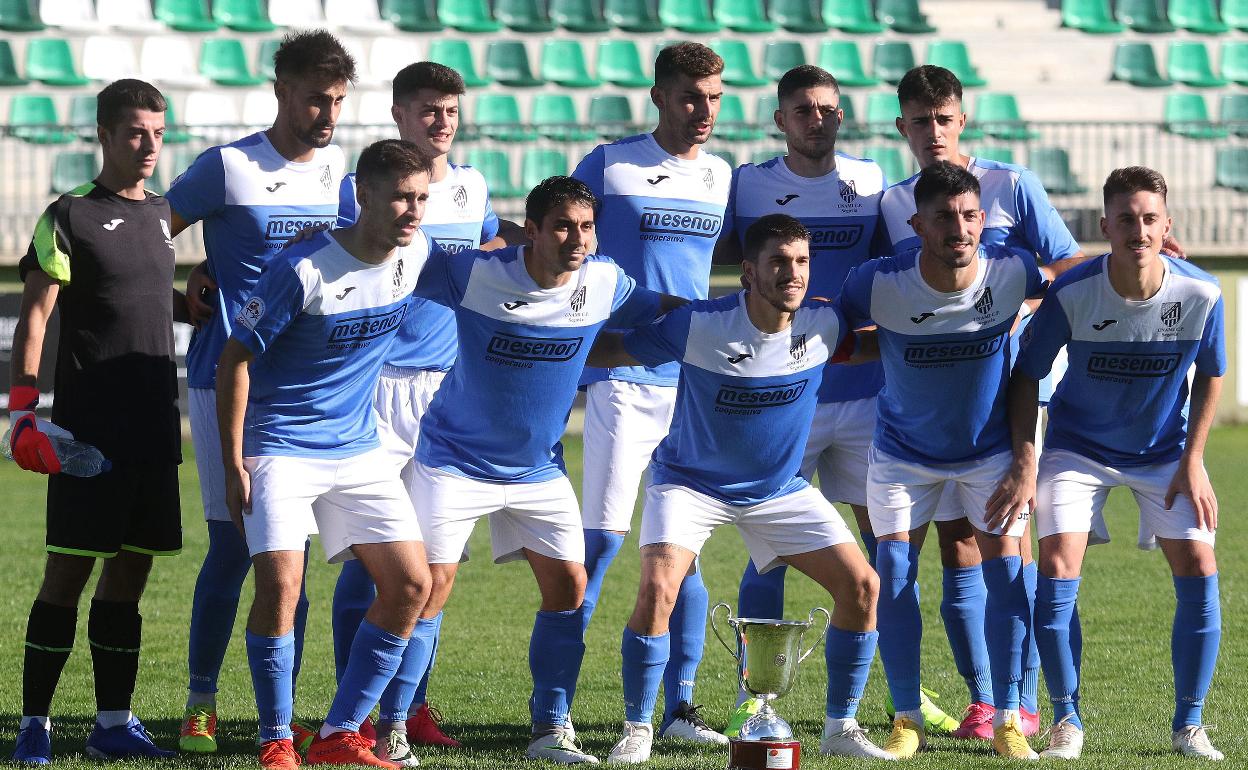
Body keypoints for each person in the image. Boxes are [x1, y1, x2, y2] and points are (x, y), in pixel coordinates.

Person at [591, 214, 894, 763]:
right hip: (689, 485)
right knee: (659, 589)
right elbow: (616, 349)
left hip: (779, 490)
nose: (793, 272)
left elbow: (876, 346)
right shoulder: (699, 324)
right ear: (748, 272)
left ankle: (839, 726)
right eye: (779, 261)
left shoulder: (823, 325)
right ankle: (638, 728)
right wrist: (534, 335)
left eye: (801, 261)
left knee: (863, 587)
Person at [408, 176, 685, 764]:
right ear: (529, 231)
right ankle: (394, 723)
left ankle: (550, 729)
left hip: (537, 469)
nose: (576, 238)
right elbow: (390, 257)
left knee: (569, 587)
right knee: (429, 590)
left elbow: (662, 312)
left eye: (586, 226)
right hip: (453, 460)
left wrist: (735, 314)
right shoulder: (474, 273)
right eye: (562, 226)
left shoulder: (606, 280)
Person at [712, 64, 931, 733]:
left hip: (865, 394)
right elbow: (706, 256)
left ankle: (906, 704)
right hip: (786, 397)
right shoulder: (746, 185)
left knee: (887, 552)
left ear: (843, 116)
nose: (818, 119)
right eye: (804, 110)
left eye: (829, 109)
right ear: (781, 120)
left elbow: (911, 267)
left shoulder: (870, 183)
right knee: (767, 550)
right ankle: (759, 698)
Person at [877, 64, 1089, 740]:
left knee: (1007, 546)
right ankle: (982, 698)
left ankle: (1019, 703)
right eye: (920, 121)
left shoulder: (1012, 184)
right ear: (902, 127)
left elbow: (1065, 266)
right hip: (939, 400)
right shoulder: (892, 203)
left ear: (961, 119)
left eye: (944, 118)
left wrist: (1015, 306)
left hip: (1013, 386)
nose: (933, 132)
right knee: (957, 548)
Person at [215, 139, 436, 770]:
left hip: (359, 447)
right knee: (282, 587)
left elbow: (492, 263)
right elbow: (237, 358)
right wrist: (235, 463)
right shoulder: (302, 268)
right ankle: (275, 739)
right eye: (400, 196)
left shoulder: (415, 252)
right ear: (361, 194)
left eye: (421, 198)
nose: (413, 211)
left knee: (411, 584)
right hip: (281, 447)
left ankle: (340, 733)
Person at [165, 29, 356, 753]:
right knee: (232, 549)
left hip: (306, 391)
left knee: (292, 564)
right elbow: (158, 230)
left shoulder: (340, 173)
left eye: (337, 100)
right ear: (280, 90)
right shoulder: (229, 166)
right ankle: (200, 704)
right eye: (315, 98)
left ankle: (280, 713)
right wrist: (187, 279)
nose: (327, 113)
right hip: (227, 380)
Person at [1010, 167, 1225, 761]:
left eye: (1149, 218)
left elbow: (1212, 374)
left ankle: (1190, 725)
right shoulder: (1073, 291)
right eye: (1126, 219)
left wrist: (1196, 459)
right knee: (1055, 568)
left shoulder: (1202, 292)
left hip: (1165, 454)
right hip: (1078, 450)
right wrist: (1028, 460)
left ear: (1167, 226)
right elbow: (1026, 376)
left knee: (1201, 567)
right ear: (1105, 225)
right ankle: (1066, 721)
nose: (1138, 229)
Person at [839, 162, 1050, 760]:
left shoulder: (1012, 271)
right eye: (942, 218)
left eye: (967, 216)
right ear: (916, 225)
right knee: (895, 576)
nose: (957, 228)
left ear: (982, 220)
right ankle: (906, 717)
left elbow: (1072, 285)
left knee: (1008, 577)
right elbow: (826, 321)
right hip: (903, 456)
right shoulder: (878, 282)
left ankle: (1009, 715)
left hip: (989, 455)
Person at [330, 60, 510, 757]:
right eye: (429, 110)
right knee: (371, 564)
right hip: (379, 390)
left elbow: (489, 237)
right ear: (400, 116)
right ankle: (357, 713)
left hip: (448, 393)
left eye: (451, 111)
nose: (442, 122)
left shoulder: (470, 187)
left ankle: (411, 706)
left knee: (438, 563)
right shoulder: (372, 197)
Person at [10, 78, 186, 763]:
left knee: (131, 577)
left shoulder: (167, 215)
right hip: (89, 437)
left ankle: (113, 723)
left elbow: (141, 289)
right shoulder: (69, 215)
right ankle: (35, 724)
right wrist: (24, 410)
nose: (149, 146)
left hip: (154, 429)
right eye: (137, 132)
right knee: (66, 575)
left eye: (159, 134)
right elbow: (35, 316)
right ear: (105, 135)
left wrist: (189, 302)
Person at [570, 42, 732, 744]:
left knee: (680, 548)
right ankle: (556, 711)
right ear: (660, 97)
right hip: (622, 381)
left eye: (716, 98)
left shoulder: (723, 175)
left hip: (693, 388)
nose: (705, 111)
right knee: (601, 548)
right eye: (692, 97)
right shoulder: (609, 165)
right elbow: (563, 252)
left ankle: (678, 709)